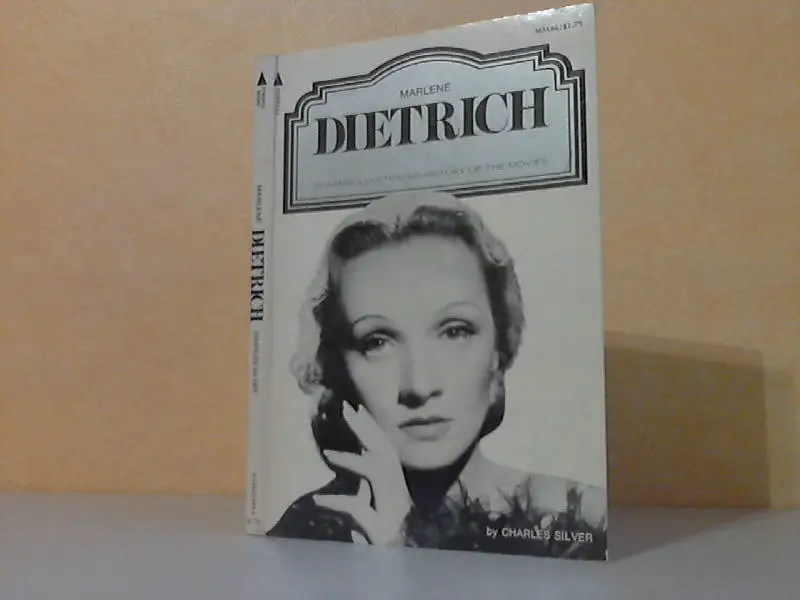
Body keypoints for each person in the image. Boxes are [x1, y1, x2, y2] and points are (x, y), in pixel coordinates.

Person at [267, 190, 607, 559]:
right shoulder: (307, 528)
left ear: (498, 351)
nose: (420, 385)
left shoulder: (584, 520)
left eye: (455, 331)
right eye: (376, 342)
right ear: (337, 367)